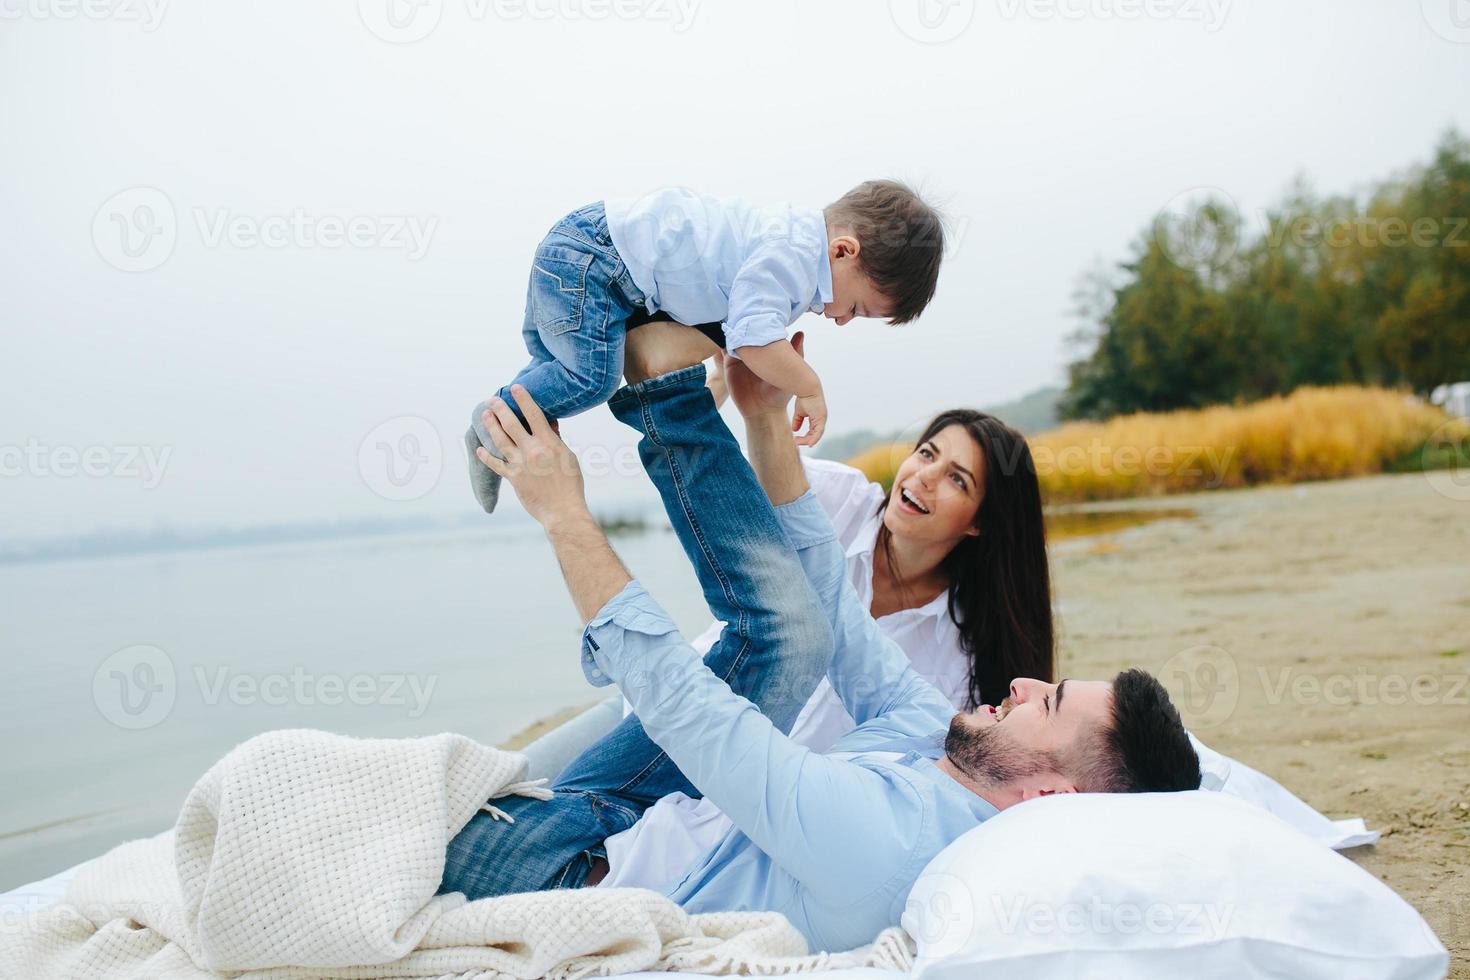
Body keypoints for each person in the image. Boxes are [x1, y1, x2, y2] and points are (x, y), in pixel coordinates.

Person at [440, 333, 1201, 953]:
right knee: (802, 633)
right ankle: (665, 392)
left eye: (1052, 701)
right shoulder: (941, 744)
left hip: (582, 867)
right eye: (928, 453)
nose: (1027, 685)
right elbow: (830, 602)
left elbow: (704, 721)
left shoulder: (888, 838)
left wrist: (563, 513)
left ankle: (658, 388)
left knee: (368, 818)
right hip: (669, 779)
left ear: (1052, 796)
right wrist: (764, 415)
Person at [464, 180, 945, 512]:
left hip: (585, 250)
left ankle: (500, 424)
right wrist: (810, 386)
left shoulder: (786, 243)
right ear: (843, 250)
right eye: (856, 308)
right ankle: (491, 421)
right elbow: (751, 337)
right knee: (589, 378)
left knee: (552, 370)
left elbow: (730, 327)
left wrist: (720, 381)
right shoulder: (793, 259)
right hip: (596, 258)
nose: (841, 320)